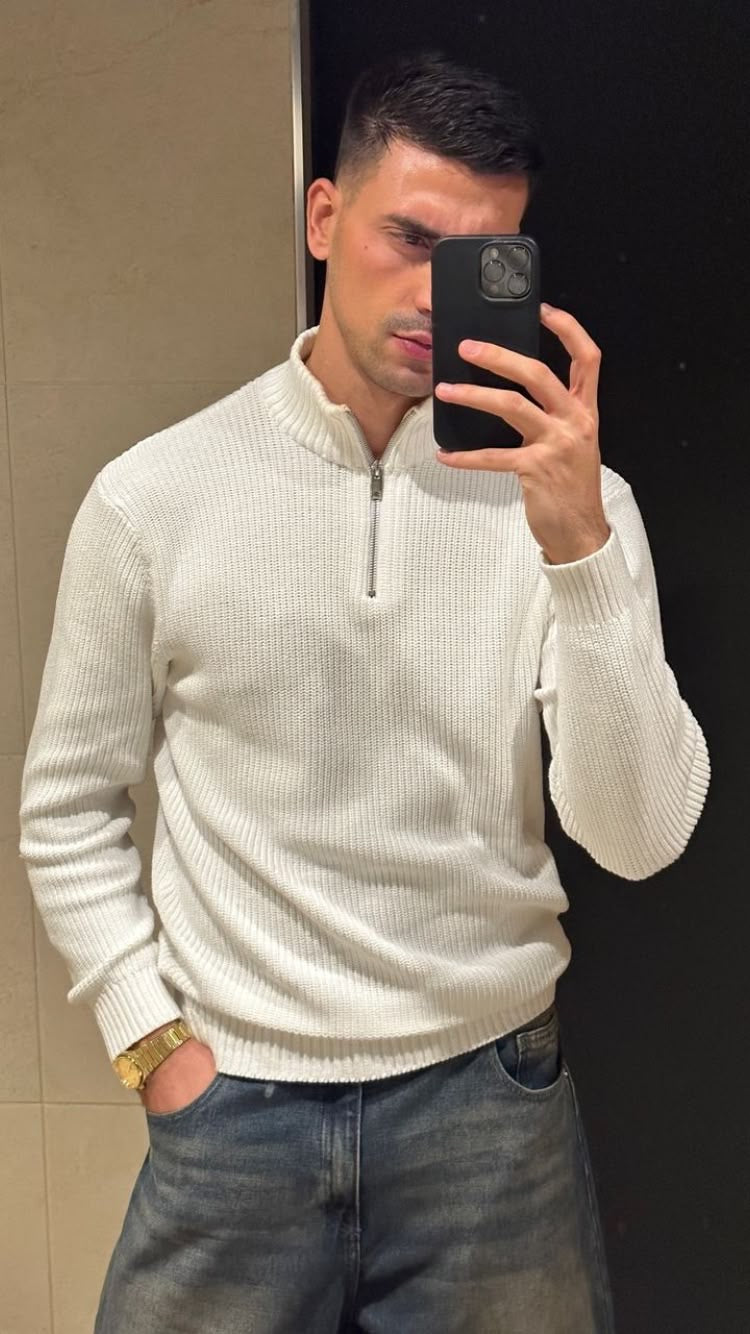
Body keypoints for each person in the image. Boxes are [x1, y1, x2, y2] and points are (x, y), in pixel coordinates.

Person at [18, 48, 710, 1334]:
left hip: (489, 1106)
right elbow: (65, 807)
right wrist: (150, 1039)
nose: (434, 294)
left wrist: (580, 550)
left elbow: (639, 835)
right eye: (410, 238)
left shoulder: (576, 505)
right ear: (325, 217)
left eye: (477, 258)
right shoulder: (153, 497)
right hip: (231, 1107)